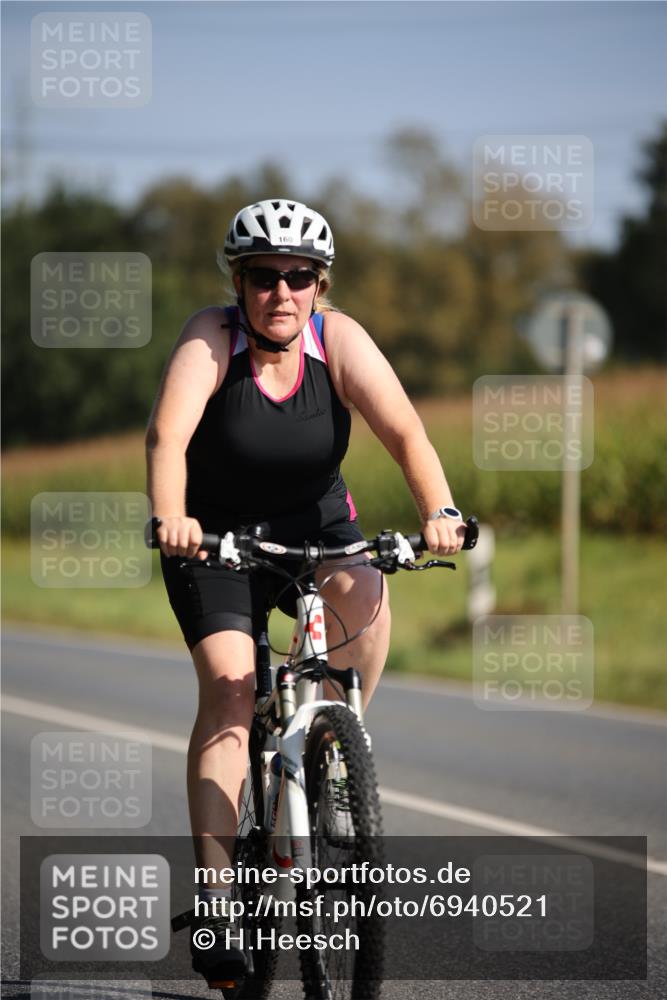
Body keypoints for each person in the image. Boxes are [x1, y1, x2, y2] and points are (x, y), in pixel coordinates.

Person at [145, 198, 466, 977]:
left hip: (315, 521)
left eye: (298, 277)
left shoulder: (338, 338)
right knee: (230, 687)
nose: (280, 293)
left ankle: (333, 745)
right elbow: (169, 435)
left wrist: (440, 509)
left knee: (367, 593)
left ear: (320, 285)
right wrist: (172, 517)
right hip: (215, 537)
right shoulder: (210, 338)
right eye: (263, 277)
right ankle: (221, 901)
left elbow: (405, 433)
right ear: (239, 281)